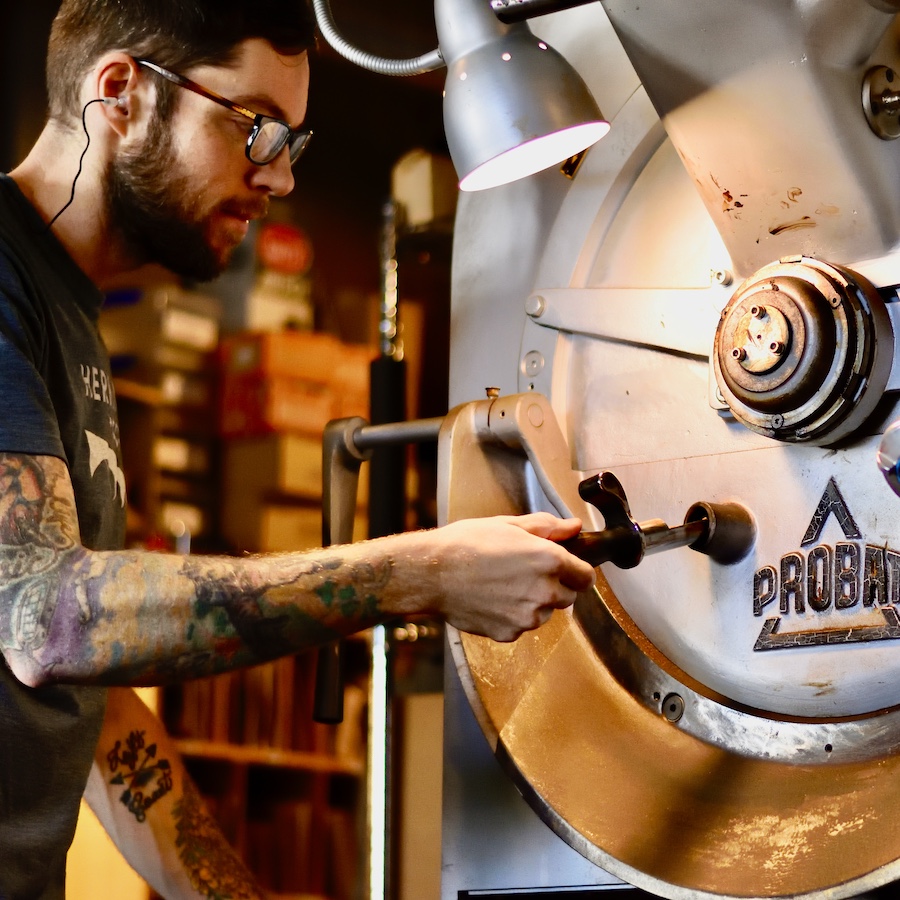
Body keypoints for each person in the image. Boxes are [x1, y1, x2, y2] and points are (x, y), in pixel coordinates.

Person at [0, 0, 597, 897]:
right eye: (256, 130)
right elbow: (47, 620)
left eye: (291, 141)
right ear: (120, 92)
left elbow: (86, 693)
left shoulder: (70, 312)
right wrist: (417, 573)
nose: (278, 179)